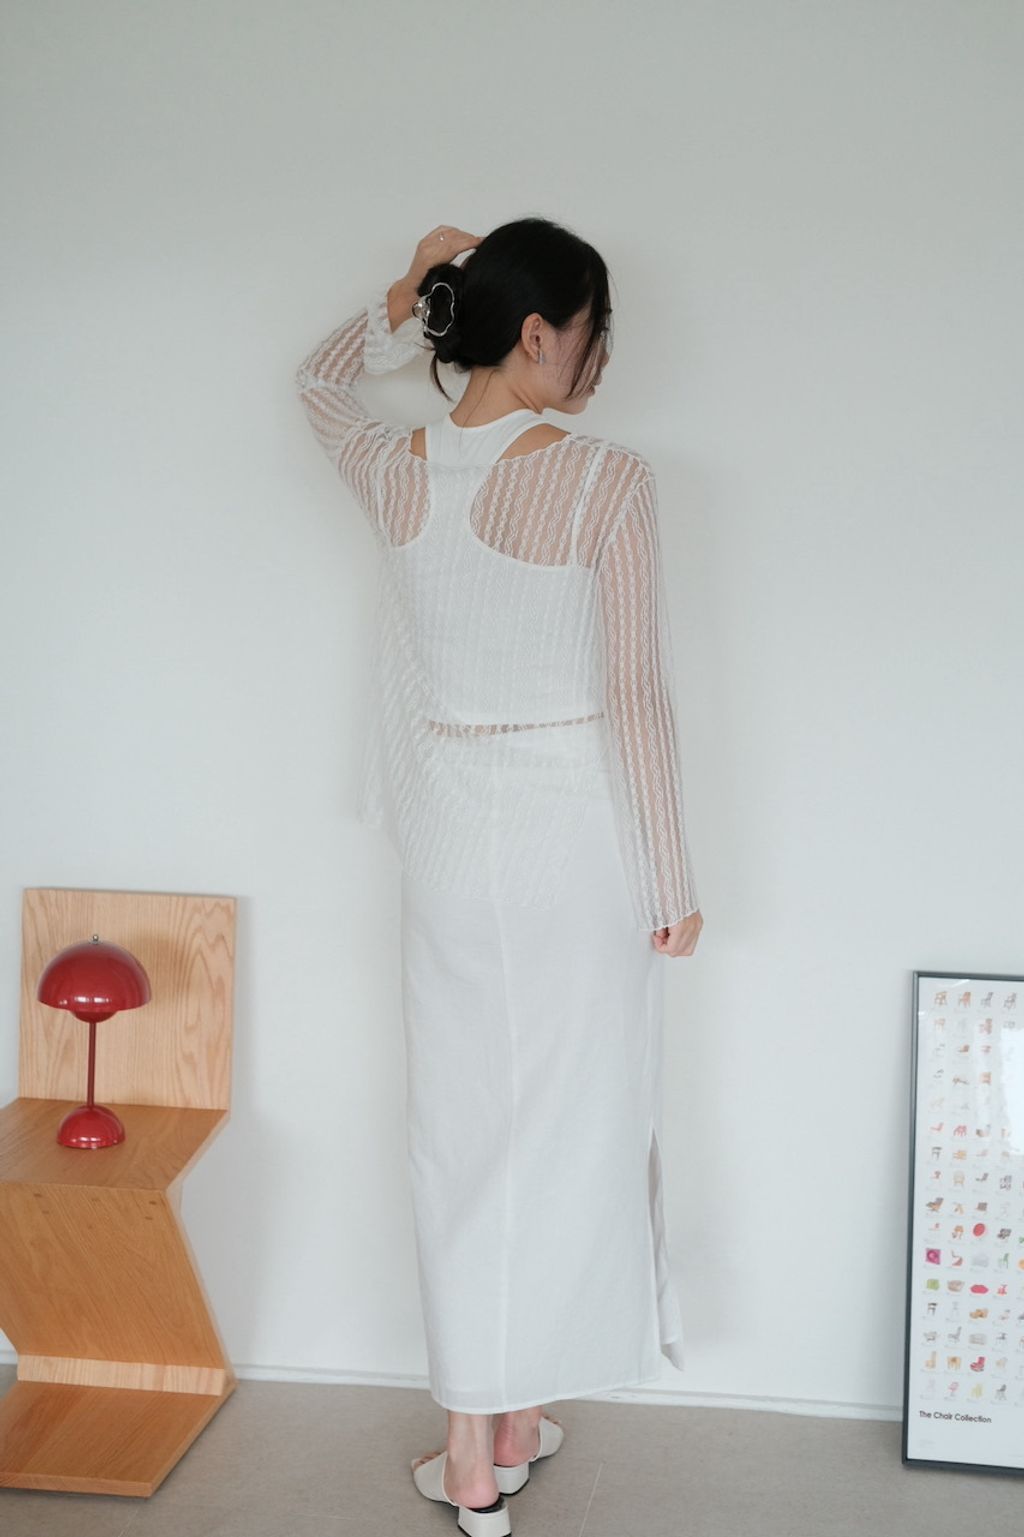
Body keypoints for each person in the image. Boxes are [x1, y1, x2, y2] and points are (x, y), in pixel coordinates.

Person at [296, 217, 703, 1535]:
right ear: (537, 334)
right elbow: (636, 692)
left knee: (460, 1134)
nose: (598, 363)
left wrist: (408, 287)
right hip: (577, 844)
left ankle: (485, 1440)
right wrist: (672, 882)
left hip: (451, 845)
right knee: (571, 1127)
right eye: (590, 335)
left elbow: (314, 383)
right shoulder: (606, 480)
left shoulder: (391, 466)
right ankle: (504, 1422)